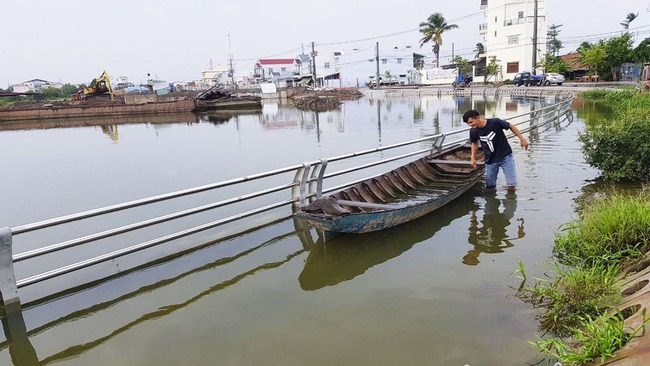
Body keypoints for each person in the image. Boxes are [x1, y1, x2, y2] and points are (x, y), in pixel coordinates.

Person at [462, 109, 529, 190]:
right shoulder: (473, 131)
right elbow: (474, 143)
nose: (470, 125)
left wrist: (522, 139)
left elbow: (511, 126)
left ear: (477, 118)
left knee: (511, 185)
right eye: (468, 123)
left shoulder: (495, 122)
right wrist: (473, 158)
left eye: (471, 122)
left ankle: (510, 199)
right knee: (490, 186)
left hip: (505, 156)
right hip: (490, 160)